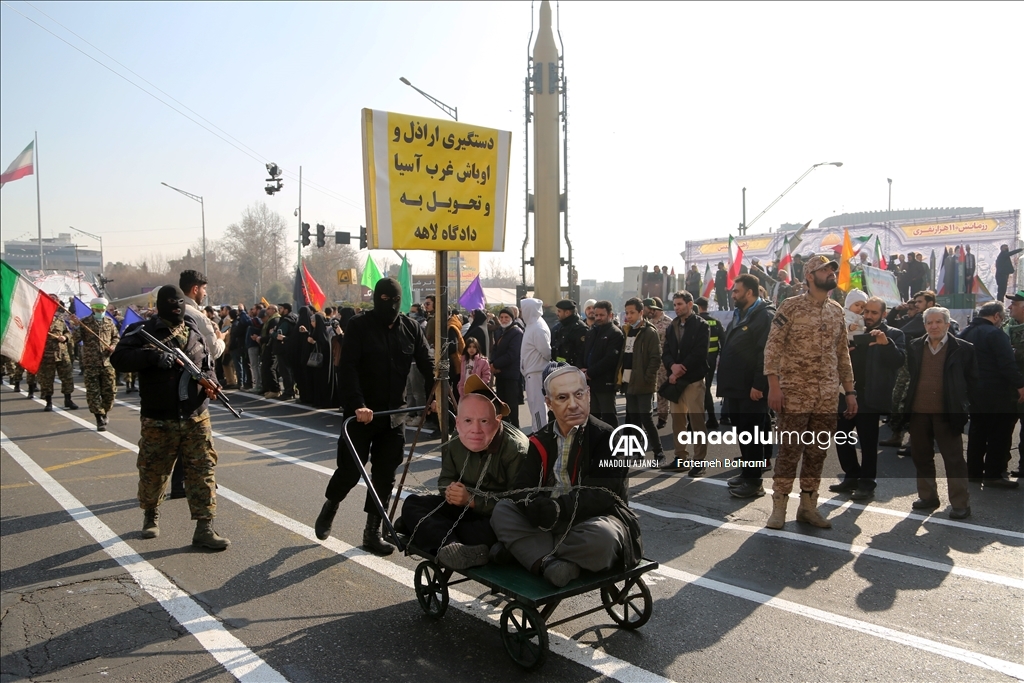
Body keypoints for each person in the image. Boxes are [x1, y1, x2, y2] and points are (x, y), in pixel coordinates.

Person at [489, 363, 643, 587]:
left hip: (591, 521)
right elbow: (522, 486)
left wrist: (559, 508)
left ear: (588, 395)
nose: (573, 405)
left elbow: (603, 493)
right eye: (562, 397)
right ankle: (551, 563)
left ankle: (529, 553)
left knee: (605, 539)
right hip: (546, 522)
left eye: (578, 394)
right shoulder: (539, 439)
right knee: (503, 510)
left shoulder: (609, 438)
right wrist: (531, 504)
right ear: (549, 403)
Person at [314, 278, 434, 555]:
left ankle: (372, 531)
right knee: (350, 470)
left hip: (393, 416)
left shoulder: (411, 328)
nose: (389, 307)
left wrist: (435, 396)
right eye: (384, 300)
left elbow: (427, 364)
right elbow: (348, 368)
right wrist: (357, 404)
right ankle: (331, 505)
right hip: (362, 414)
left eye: (393, 301)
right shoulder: (359, 325)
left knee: (385, 475)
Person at [110, 285, 229, 549]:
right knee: (154, 470)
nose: (176, 308)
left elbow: (206, 363)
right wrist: (151, 356)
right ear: (160, 306)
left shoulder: (194, 330)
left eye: (179, 303)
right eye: (171, 304)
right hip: (159, 417)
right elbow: (119, 358)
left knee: (203, 471)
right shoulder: (143, 332)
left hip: (196, 416)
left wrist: (211, 383)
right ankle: (150, 514)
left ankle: (204, 527)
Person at [764, 255, 856, 530]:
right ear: (809, 276)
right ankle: (778, 508)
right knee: (790, 452)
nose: (830, 273)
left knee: (817, 453)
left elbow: (843, 355)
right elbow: (773, 347)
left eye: (831, 270)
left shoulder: (837, 310)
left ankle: (808, 507)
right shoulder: (790, 307)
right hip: (794, 394)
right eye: (824, 269)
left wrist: (850, 392)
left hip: (827, 395)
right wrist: (774, 386)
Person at [398, 376, 528, 568]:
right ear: (459, 421)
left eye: (484, 420)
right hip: (461, 508)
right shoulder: (459, 435)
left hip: (493, 516)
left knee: (489, 531)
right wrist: (450, 491)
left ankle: (432, 534)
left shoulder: (516, 449)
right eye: (468, 420)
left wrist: (473, 500)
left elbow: (518, 503)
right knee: (412, 504)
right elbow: (445, 478)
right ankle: (452, 547)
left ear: (497, 419)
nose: (475, 429)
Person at [896, 307, 978, 519]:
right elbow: (907, 377)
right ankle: (928, 496)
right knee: (921, 457)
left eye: (938, 322)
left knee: (954, 460)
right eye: (929, 322)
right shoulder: (915, 346)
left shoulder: (963, 348)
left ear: (947, 325)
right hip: (918, 412)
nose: (934, 326)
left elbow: (973, 381)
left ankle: (960, 503)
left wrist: (965, 406)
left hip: (947, 413)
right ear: (924, 325)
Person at [829, 297, 906, 500]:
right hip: (846, 394)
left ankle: (866, 483)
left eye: (873, 312)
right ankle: (851, 475)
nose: (868, 316)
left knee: (868, 443)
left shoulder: (894, 334)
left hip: (870, 396)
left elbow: (898, 361)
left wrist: (885, 344)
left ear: (883, 314)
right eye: (866, 312)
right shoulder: (852, 330)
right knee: (842, 437)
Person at [715, 274, 773, 497]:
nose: (733, 294)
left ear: (750, 292)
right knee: (743, 433)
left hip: (752, 389)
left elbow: (765, 353)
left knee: (753, 434)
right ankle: (747, 473)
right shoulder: (740, 315)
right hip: (736, 388)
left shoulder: (764, 316)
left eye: (736, 291)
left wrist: (759, 384)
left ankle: (755, 482)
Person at [959, 302, 1024, 489]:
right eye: (1002, 318)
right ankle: (993, 474)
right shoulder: (996, 334)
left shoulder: (965, 332)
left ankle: (973, 472)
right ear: (996, 316)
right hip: (997, 392)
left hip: (973, 391)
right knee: (999, 433)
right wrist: (1020, 385)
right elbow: (1007, 364)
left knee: (977, 431)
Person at [660, 291, 710, 472]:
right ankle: (680, 457)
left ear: (690, 304)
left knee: (697, 422)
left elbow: (699, 353)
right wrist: (672, 367)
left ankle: (699, 461)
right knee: (678, 422)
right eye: (674, 305)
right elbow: (666, 352)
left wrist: (680, 370)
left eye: (680, 304)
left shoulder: (701, 325)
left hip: (693, 380)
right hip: (675, 381)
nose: (676, 308)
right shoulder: (671, 326)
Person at [617, 297, 663, 462]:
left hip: (643, 383)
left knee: (646, 418)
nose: (629, 316)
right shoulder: (627, 330)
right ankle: (638, 450)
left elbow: (655, 358)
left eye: (632, 312)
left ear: (641, 312)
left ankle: (658, 452)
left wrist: (647, 377)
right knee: (634, 418)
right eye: (627, 312)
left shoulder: (649, 332)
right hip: (629, 382)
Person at [71, 297, 120, 431]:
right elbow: (74, 339)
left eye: (102, 309)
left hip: (107, 362)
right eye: (97, 309)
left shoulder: (109, 322)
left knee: (110, 392)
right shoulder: (85, 323)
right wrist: (76, 326)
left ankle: (104, 411)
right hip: (91, 363)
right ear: (92, 309)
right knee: (93, 392)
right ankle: (99, 417)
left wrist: (113, 346)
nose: (100, 311)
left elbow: (116, 337)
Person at [581, 300, 623, 427]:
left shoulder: (615, 334)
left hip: (605, 382)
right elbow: (584, 352)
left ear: (610, 315)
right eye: (596, 314)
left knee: (608, 417)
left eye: (601, 315)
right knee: (593, 418)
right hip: (589, 383)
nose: (598, 318)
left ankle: (614, 444)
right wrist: (581, 370)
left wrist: (590, 372)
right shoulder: (592, 332)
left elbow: (610, 359)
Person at [36, 299, 79, 412]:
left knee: (67, 378)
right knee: (47, 380)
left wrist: (65, 337)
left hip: (62, 354)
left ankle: (68, 399)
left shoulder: (60, 320)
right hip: (47, 355)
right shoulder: (39, 321)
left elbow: (68, 332)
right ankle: (48, 402)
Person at [520, 298, 552, 430]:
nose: (521, 313)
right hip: (532, 373)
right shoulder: (532, 325)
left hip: (537, 373)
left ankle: (540, 434)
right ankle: (538, 433)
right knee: (534, 407)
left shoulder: (538, 328)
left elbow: (546, 351)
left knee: (538, 407)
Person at [490, 307, 524, 428]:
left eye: (506, 317)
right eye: (502, 317)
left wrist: (495, 364)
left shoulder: (517, 333)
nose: (504, 320)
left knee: (511, 405)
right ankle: (504, 430)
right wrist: (492, 362)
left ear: (512, 318)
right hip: (500, 374)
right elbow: (495, 349)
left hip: (511, 374)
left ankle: (515, 429)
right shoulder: (499, 331)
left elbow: (512, 354)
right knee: (501, 405)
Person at [644, 297, 672, 429]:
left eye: (646, 308)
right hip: (649, 362)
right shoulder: (646, 323)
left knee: (663, 390)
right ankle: (653, 415)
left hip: (663, 363)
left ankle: (663, 417)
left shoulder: (668, 323)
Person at [694, 297, 721, 429]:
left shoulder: (696, 322)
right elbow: (724, 342)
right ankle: (710, 418)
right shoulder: (716, 322)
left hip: (699, 361)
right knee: (707, 389)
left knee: (699, 391)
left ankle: (707, 419)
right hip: (711, 360)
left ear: (698, 307)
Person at [307, 311, 339, 408]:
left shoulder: (322, 333)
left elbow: (324, 346)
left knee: (322, 382)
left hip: (323, 364)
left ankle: (323, 401)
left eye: (313, 321)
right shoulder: (315, 331)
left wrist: (314, 342)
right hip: (317, 365)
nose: (311, 323)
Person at [551, 299, 588, 368]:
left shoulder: (580, 329)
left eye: (559, 311)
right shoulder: (558, 327)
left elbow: (581, 352)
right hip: (557, 368)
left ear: (567, 313)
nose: (557, 313)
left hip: (572, 369)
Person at [274, 302, 298, 400]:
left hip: (283, 349)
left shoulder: (285, 321)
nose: (280, 310)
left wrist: (273, 333)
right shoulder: (294, 318)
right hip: (291, 348)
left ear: (286, 310)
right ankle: (292, 389)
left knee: (285, 371)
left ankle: (288, 391)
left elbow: (279, 334)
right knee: (289, 371)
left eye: (281, 308)